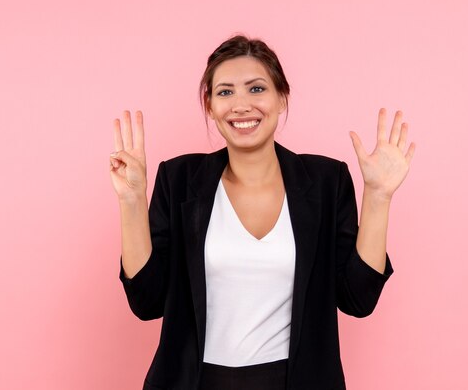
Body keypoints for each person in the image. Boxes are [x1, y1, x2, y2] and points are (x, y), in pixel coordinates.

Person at [109, 35, 415, 390]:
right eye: (225, 92)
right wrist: (130, 201)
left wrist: (378, 197)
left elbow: (358, 299)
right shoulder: (178, 180)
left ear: (282, 97)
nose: (241, 105)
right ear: (209, 106)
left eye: (256, 89)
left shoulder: (326, 181)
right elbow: (146, 302)